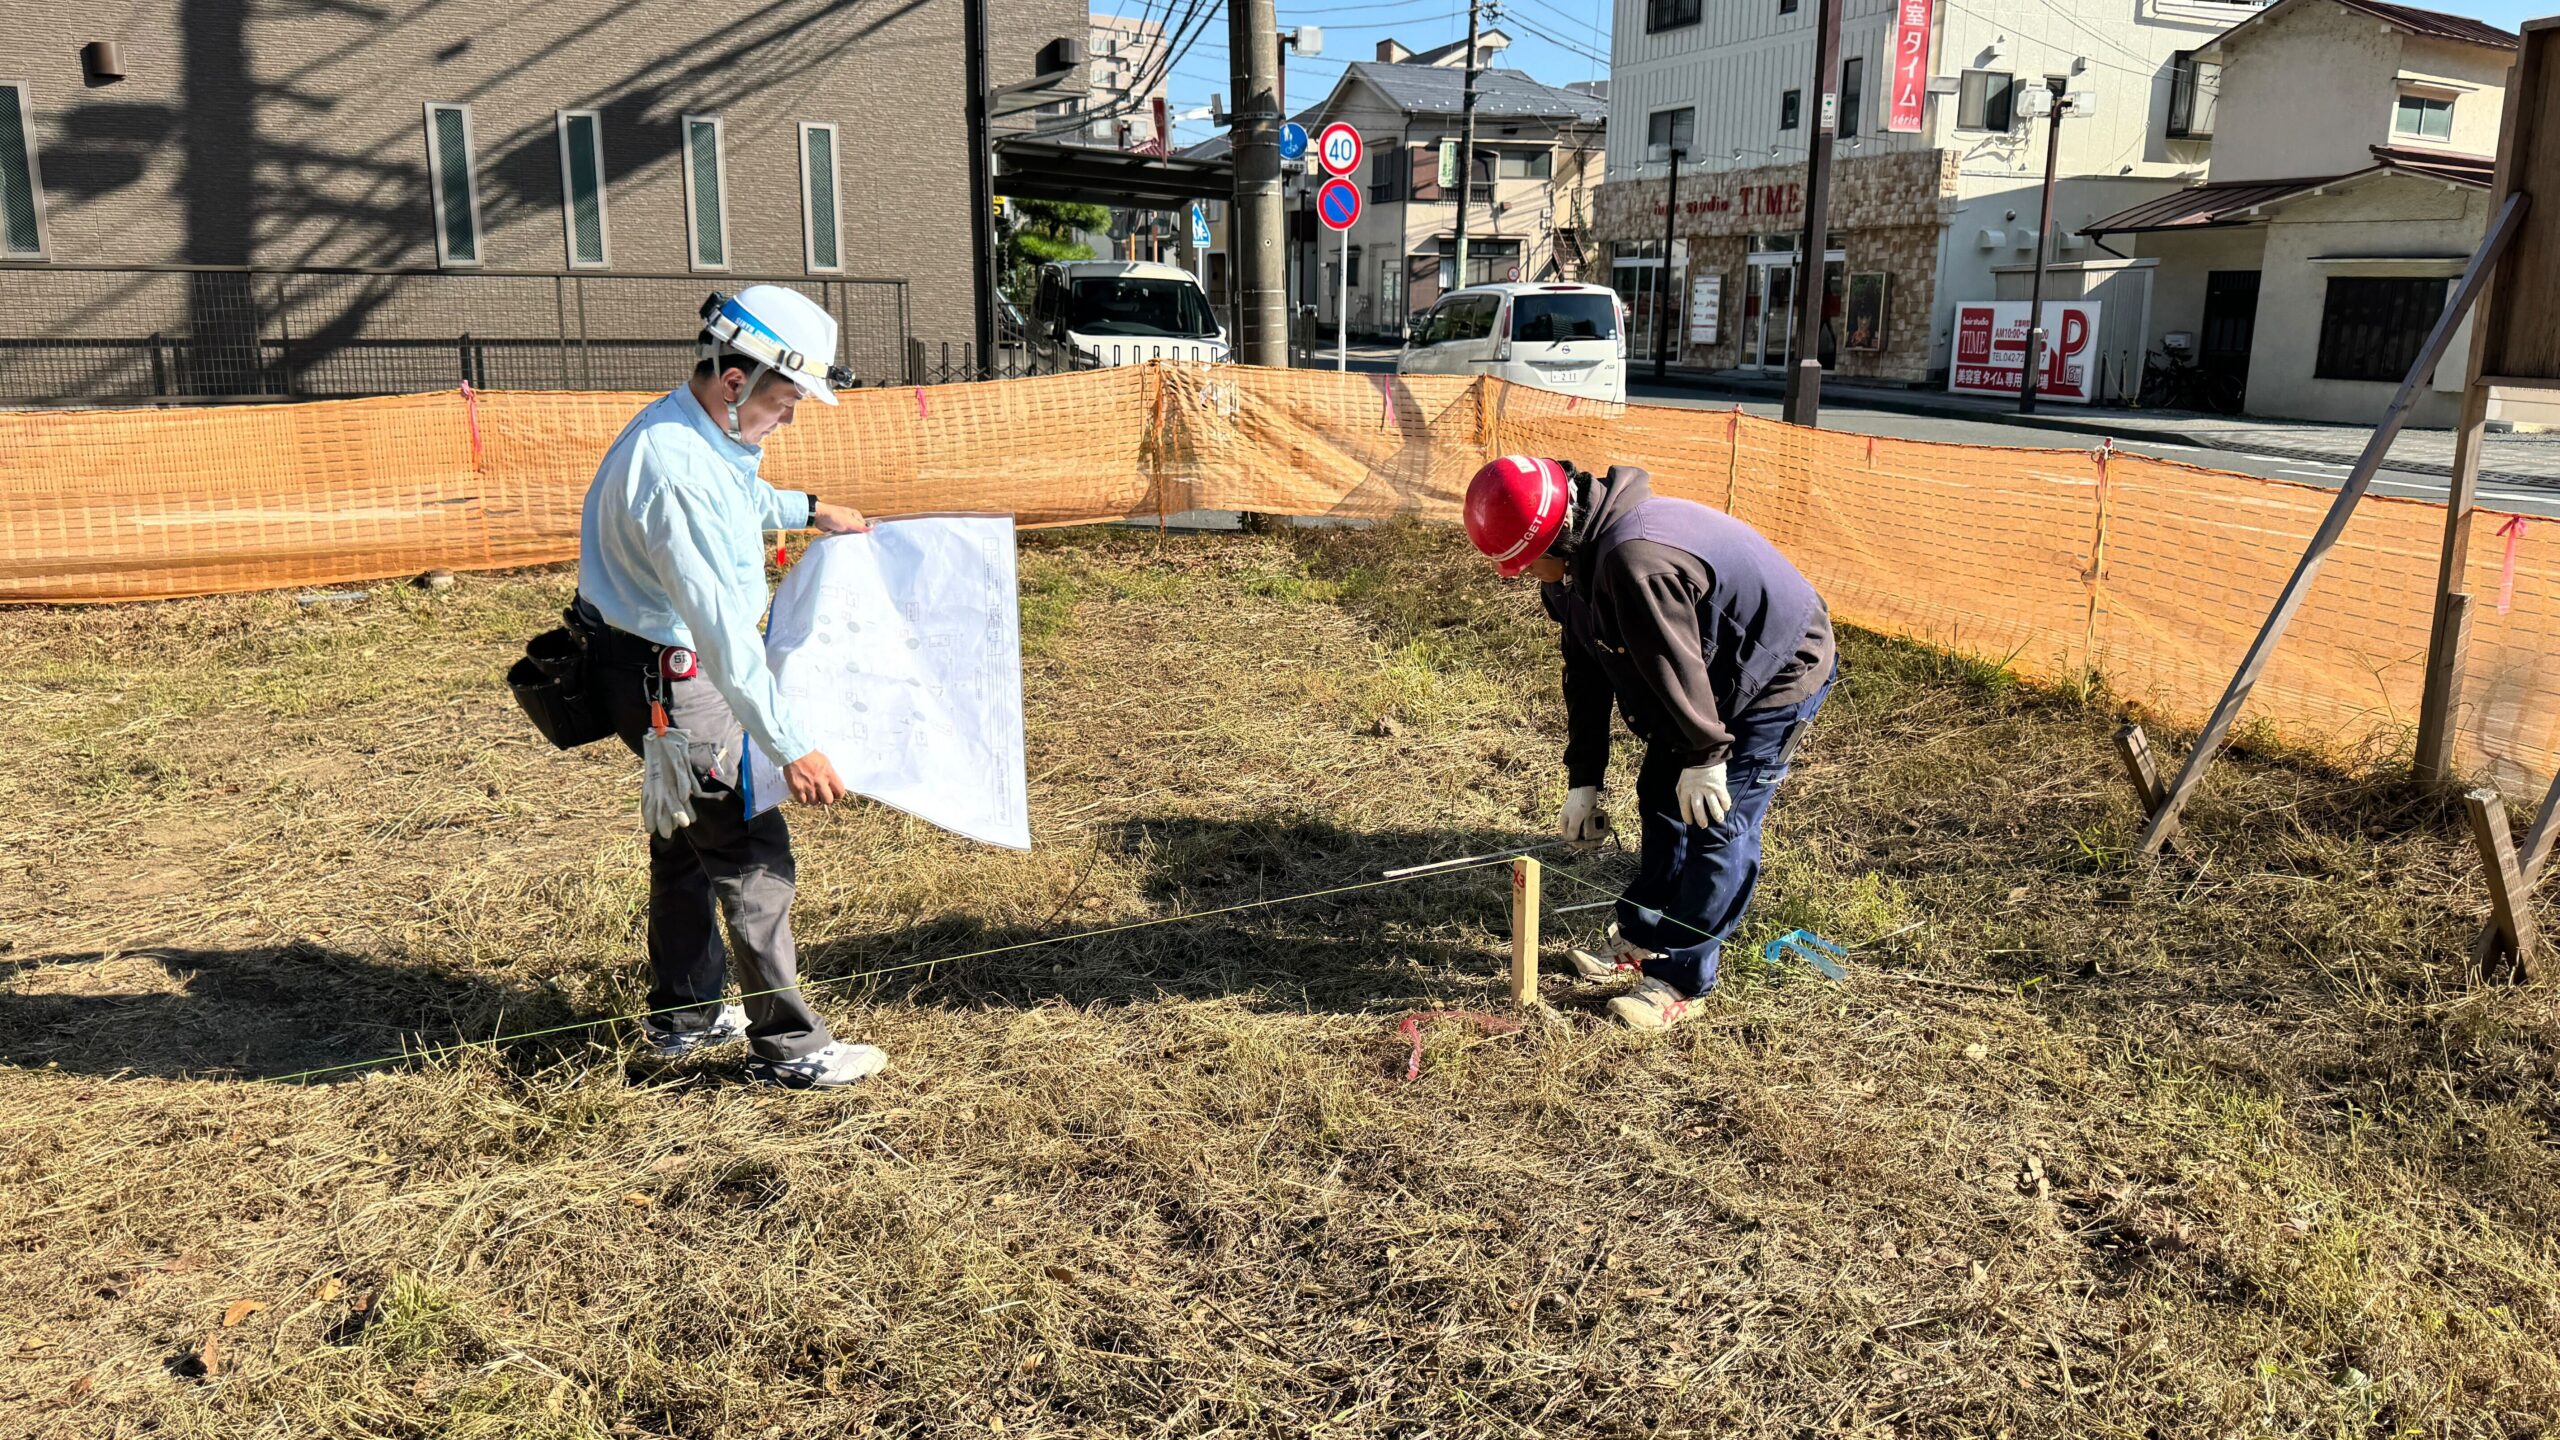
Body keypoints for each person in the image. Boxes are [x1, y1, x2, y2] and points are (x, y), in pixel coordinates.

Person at [574, 286, 883, 1087]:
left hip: (641, 674)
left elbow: (739, 497)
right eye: (785, 401)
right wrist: (793, 748)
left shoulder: (687, 431)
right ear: (734, 381)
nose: (788, 419)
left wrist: (810, 509)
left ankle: (684, 1013)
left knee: (683, 842)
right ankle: (792, 1050)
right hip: (681, 681)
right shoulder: (677, 471)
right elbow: (721, 636)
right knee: (750, 854)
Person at [1463, 455, 1837, 1032]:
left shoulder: (1633, 563)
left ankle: (1683, 980)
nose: (1517, 576)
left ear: (1555, 536)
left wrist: (1707, 756)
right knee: (1661, 794)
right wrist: (1584, 777)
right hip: (1703, 667)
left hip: (1775, 666)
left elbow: (1673, 662)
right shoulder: (1573, 570)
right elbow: (1587, 670)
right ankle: (1642, 940)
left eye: (1521, 562)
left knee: (1718, 820)